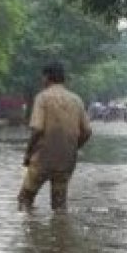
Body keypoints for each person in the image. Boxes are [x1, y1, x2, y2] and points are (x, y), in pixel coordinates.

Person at [18, 61, 92, 210]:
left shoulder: (43, 97)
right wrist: (74, 147)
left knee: (25, 198)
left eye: (43, 77)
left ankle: (28, 229)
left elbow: (37, 129)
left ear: (47, 77)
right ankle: (60, 230)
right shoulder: (76, 100)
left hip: (42, 158)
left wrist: (28, 153)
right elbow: (87, 131)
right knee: (59, 205)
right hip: (67, 160)